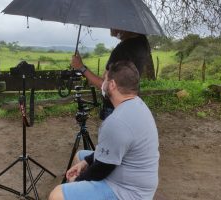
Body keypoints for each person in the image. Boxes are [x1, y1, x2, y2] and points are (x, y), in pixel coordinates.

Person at [49, 61, 159, 200]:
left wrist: (77, 182)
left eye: (105, 79)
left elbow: (102, 169)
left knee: (57, 194)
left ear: (112, 85)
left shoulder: (117, 121)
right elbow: (109, 151)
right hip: (137, 177)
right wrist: (86, 162)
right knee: (80, 156)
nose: (103, 82)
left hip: (129, 191)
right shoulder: (137, 103)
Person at [71, 28, 154, 120]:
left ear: (123, 25)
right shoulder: (143, 43)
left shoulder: (123, 49)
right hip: (132, 102)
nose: (111, 32)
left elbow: (104, 85)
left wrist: (81, 67)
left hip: (115, 106)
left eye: (113, 27)